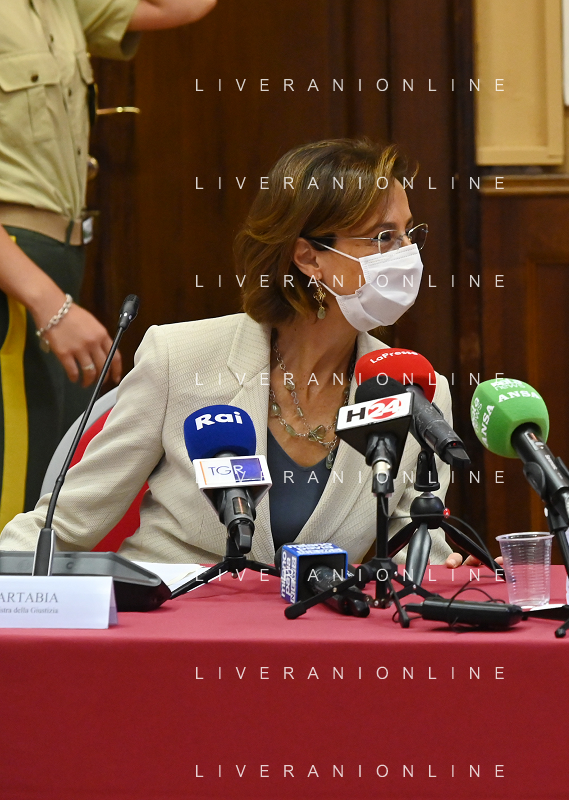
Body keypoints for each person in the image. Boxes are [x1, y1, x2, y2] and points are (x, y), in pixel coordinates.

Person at [0, 138, 470, 568]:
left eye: (409, 233)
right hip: (176, 619)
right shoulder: (178, 359)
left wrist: (445, 571)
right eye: (384, 237)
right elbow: (63, 525)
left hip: (313, 629)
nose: (408, 254)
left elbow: (417, 548)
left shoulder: (416, 391)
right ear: (308, 258)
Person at [0, 0, 217, 521]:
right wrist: (50, 305)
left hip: (55, 258)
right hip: (15, 268)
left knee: (41, 485)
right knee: (12, 490)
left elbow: (182, 6)